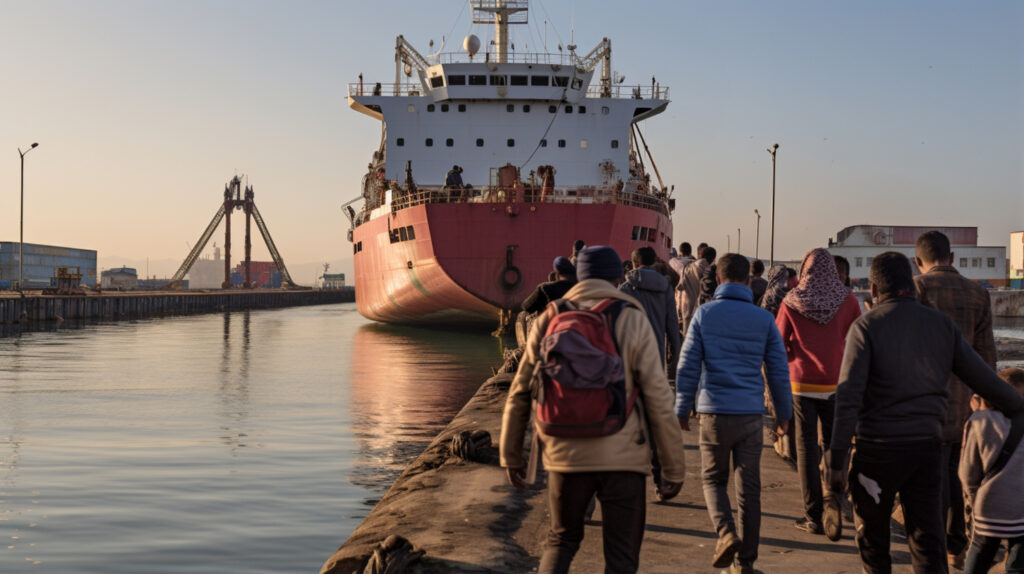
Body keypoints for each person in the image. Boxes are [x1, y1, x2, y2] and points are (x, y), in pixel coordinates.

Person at [827, 252, 1024, 574]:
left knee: (873, 543)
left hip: (876, 451)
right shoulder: (941, 326)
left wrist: (836, 461)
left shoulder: (865, 327)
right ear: (913, 287)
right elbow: (987, 381)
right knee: (928, 542)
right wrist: (1017, 405)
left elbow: (849, 398)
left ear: (874, 290)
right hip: (926, 449)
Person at [501, 246, 686, 574]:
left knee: (561, 540)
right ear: (618, 277)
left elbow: (520, 392)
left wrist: (511, 454)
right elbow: (658, 398)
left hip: (564, 452)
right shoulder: (631, 317)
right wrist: (672, 469)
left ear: (579, 277)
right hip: (623, 457)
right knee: (621, 557)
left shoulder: (549, 317)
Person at [676, 253, 793, 574]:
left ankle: (725, 532)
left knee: (713, 480)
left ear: (719, 278)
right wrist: (784, 414)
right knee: (750, 491)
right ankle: (745, 564)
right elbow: (779, 371)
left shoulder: (703, 315)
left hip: (713, 412)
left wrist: (682, 407)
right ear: (746, 279)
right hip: (751, 416)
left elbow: (687, 365)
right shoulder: (763, 319)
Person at [913, 230, 997, 569]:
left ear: (918, 263)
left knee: (929, 479)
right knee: (958, 475)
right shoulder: (978, 294)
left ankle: (935, 547)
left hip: (923, 401)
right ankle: (956, 546)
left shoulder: (916, 291)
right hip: (966, 403)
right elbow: (987, 358)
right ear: (953, 258)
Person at [774, 248, 862, 535]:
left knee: (806, 448)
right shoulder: (847, 300)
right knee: (835, 445)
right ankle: (834, 497)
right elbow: (857, 338)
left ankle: (812, 516)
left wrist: (792, 358)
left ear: (804, 270)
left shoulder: (791, 300)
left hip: (801, 383)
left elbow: (778, 341)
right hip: (836, 382)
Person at [959, 368, 1024, 574]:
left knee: (979, 554)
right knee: (1017, 565)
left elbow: (967, 472)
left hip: (988, 506)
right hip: (1021, 510)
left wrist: (971, 501)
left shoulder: (979, 422)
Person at [678, 246, 715, 339]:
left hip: (685, 303)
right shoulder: (707, 270)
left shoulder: (688, 266)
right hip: (699, 305)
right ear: (713, 258)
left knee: (686, 335)